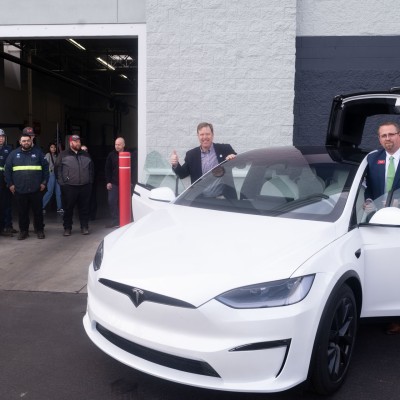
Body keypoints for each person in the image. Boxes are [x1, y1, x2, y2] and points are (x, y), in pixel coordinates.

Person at [364, 121, 400, 335]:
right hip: (379, 222)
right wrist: (367, 200)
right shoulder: (372, 159)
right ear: (379, 139)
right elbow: (367, 186)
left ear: (399, 135)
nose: (388, 139)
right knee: (387, 268)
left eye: (391, 135)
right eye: (383, 136)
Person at [4, 132, 49, 240]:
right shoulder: (13, 155)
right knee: (22, 212)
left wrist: (44, 183)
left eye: (28, 140)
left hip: (36, 189)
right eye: (23, 141)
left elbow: (46, 169)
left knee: (38, 212)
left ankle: (39, 230)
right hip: (20, 189)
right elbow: (7, 171)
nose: (26, 142)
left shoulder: (39, 154)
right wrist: (10, 184)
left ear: (31, 141)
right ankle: (23, 231)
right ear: (20, 142)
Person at [170, 122, 236, 184]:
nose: (205, 137)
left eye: (207, 134)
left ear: (212, 135)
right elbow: (182, 175)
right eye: (201, 134)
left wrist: (233, 158)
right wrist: (175, 165)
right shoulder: (191, 155)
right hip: (200, 196)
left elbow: (242, 165)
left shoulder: (225, 149)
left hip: (223, 195)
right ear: (198, 136)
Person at [55, 134, 94, 236]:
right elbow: (58, 170)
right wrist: (62, 184)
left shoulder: (86, 155)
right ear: (70, 143)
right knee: (68, 209)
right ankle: (67, 228)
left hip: (85, 186)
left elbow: (91, 169)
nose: (78, 143)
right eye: (75, 141)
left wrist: (90, 182)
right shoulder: (63, 155)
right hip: (69, 187)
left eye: (79, 141)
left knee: (84, 208)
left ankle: (84, 227)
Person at [105, 137, 127, 228]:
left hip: (126, 183)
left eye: (119, 144)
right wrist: (108, 182)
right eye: (115, 144)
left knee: (125, 202)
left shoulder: (128, 154)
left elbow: (134, 169)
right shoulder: (111, 155)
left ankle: (126, 220)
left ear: (123, 145)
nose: (117, 146)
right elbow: (107, 169)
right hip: (114, 183)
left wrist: (131, 182)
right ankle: (116, 221)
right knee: (112, 201)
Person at [42, 143, 63, 214]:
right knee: (50, 191)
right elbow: (45, 165)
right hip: (51, 175)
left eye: (54, 147)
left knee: (58, 192)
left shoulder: (56, 156)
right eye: (51, 147)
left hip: (57, 175)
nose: (53, 149)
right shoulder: (48, 155)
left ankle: (59, 208)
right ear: (49, 148)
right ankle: (41, 206)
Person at [0, 129, 14, 237]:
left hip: (6, 180)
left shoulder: (9, 149)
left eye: (2, 136)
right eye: (0, 137)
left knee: (7, 204)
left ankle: (8, 226)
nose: (1, 138)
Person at [80, 144, 97, 220]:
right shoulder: (76, 159)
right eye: (82, 150)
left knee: (92, 199)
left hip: (90, 183)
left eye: (85, 150)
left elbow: (93, 171)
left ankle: (92, 215)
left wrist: (91, 182)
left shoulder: (91, 159)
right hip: (80, 183)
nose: (84, 151)